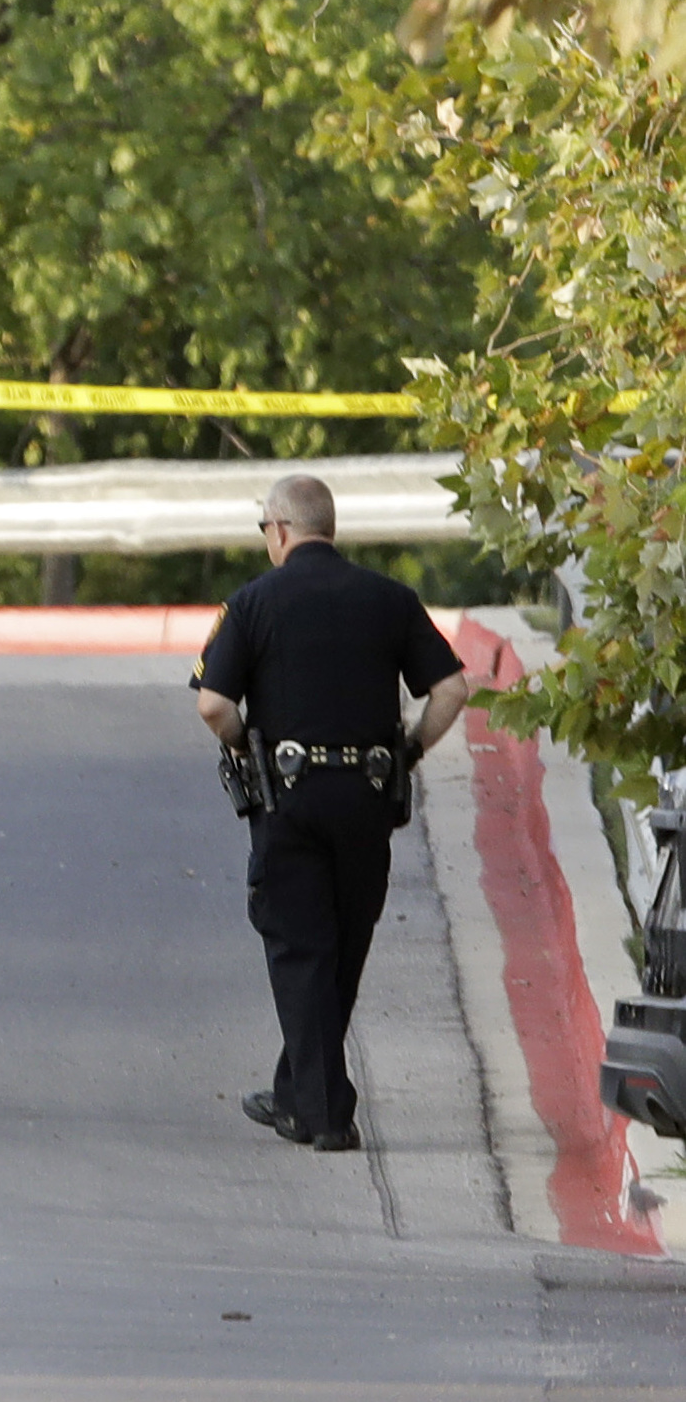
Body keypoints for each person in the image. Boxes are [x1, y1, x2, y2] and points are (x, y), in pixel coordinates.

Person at [193, 473, 472, 1151]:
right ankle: (297, 1093)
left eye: (265, 528)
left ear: (280, 529)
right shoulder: (389, 598)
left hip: (289, 797)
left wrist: (244, 747)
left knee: (300, 949)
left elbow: (213, 704)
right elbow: (450, 689)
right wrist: (408, 750)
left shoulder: (251, 602)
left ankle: (323, 1116)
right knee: (341, 947)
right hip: (367, 797)